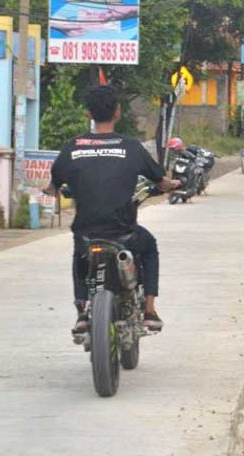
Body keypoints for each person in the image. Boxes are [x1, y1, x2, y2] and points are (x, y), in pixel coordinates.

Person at [44, 85, 180, 334]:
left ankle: (82, 311)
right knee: (149, 247)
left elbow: (54, 185)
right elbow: (160, 181)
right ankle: (149, 309)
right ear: (117, 113)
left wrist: (51, 189)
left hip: (87, 233)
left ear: (88, 114)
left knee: (79, 255)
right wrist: (171, 185)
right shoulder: (131, 147)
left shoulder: (71, 148)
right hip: (123, 232)